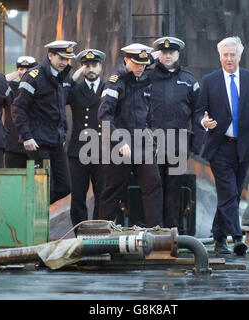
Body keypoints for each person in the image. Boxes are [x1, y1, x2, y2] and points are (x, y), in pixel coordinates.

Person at [197, 36, 249, 256]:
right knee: (228, 192)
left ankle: (219, 237)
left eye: (232, 55)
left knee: (232, 194)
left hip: (244, 147)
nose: (229, 59)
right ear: (219, 57)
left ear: (239, 56)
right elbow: (199, 110)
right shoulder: (210, 81)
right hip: (219, 147)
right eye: (225, 55)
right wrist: (204, 121)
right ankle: (237, 237)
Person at [98, 43, 163, 227]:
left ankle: (156, 232)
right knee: (113, 192)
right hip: (119, 147)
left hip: (143, 146)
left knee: (153, 185)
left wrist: (154, 143)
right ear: (126, 60)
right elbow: (104, 117)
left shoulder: (144, 82)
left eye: (144, 65)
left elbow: (149, 117)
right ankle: (103, 236)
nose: (140, 68)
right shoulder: (114, 82)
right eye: (137, 64)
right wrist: (120, 142)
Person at [11, 40, 75, 204]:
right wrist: (26, 136)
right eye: (60, 58)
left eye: (66, 59)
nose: (63, 63)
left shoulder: (63, 76)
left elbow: (60, 108)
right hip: (37, 141)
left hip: (56, 141)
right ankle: (32, 214)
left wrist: (63, 133)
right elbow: (18, 108)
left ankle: (33, 208)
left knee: (64, 186)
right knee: (44, 186)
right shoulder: (34, 76)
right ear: (50, 55)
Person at [148, 36, 201, 229]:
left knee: (174, 190)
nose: (168, 55)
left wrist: (197, 142)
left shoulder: (188, 80)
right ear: (158, 55)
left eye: (171, 52)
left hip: (179, 144)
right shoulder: (148, 77)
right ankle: (154, 231)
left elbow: (199, 111)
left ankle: (172, 233)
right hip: (153, 143)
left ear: (178, 54)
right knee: (154, 188)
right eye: (164, 52)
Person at [67, 49, 106, 226]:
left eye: (94, 65)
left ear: (100, 67)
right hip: (78, 149)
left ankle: (98, 232)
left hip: (102, 150)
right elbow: (59, 95)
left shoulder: (109, 88)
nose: (91, 69)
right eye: (86, 65)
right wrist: (73, 78)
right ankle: (80, 234)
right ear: (82, 68)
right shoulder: (75, 89)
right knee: (77, 196)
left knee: (102, 194)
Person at [4, 56, 37, 168]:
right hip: (14, 146)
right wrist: (6, 78)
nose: (24, 73)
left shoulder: (41, 88)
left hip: (35, 144)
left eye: (28, 70)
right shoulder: (11, 87)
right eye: (21, 69)